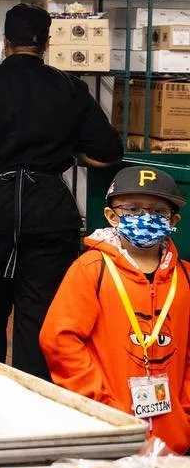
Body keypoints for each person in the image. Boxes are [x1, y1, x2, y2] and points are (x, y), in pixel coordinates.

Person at [0, 3, 122, 379]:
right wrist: (69, 152)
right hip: (49, 211)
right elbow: (108, 152)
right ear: (47, 43)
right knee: (39, 317)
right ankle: (35, 401)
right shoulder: (71, 87)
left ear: (6, 42)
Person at [42, 166, 190, 452]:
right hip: (107, 432)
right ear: (111, 216)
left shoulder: (184, 277)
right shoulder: (91, 268)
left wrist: (184, 413)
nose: (145, 217)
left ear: (173, 220)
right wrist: (100, 404)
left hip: (173, 441)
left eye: (158, 211)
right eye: (132, 209)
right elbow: (59, 340)